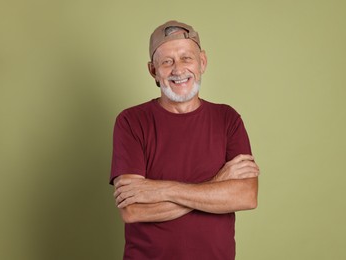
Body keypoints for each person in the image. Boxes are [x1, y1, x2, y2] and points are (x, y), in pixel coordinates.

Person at [110, 20, 260, 260]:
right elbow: (133, 210)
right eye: (167, 61)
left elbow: (245, 196)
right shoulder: (131, 121)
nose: (178, 70)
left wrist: (160, 189)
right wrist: (218, 183)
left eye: (186, 58)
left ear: (202, 62)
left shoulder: (227, 119)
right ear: (153, 71)